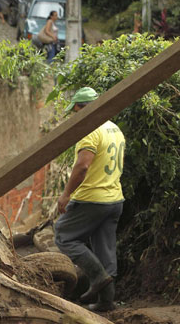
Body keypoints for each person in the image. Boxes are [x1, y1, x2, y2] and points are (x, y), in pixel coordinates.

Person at [54, 87, 125, 313]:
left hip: (92, 198)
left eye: (75, 112)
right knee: (105, 249)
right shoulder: (114, 128)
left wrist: (66, 195)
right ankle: (106, 302)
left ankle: (97, 276)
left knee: (64, 235)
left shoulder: (90, 130)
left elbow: (83, 165)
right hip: (114, 199)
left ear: (79, 108)